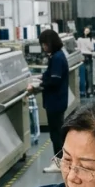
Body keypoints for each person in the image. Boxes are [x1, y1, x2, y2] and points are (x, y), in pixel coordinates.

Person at [33, 29, 70, 172]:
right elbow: (50, 74)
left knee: (56, 133)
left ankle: (59, 163)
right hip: (57, 100)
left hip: (56, 101)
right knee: (56, 132)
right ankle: (60, 160)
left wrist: (38, 86)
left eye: (44, 44)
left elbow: (54, 80)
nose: (43, 47)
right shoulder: (56, 56)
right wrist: (41, 78)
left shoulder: (57, 58)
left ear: (49, 43)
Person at [77, 26, 94, 98]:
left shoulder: (90, 39)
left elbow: (92, 48)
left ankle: (88, 91)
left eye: (88, 31)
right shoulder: (80, 39)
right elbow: (79, 48)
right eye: (86, 31)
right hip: (84, 56)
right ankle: (83, 91)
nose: (87, 32)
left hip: (87, 56)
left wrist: (87, 44)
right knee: (84, 74)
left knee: (88, 75)